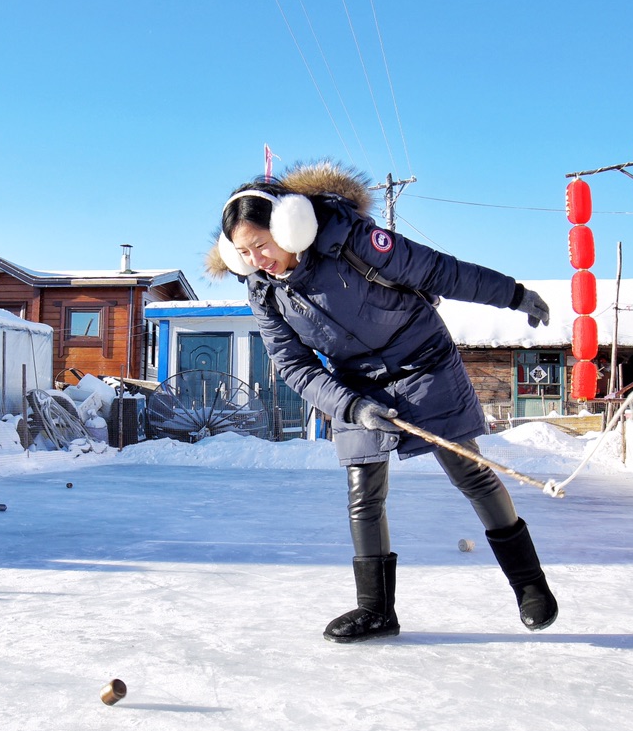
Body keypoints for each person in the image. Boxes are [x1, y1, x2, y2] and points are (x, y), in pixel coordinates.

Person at [208, 162, 558, 643]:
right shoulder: (263, 292)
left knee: (469, 471)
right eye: (245, 253)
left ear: (290, 224)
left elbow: (440, 270)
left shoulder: (351, 241)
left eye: (262, 244)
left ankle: (530, 586)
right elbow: (292, 365)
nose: (258, 258)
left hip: (424, 362)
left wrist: (513, 295)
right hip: (355, 383)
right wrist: (351, 406)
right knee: (363, 493)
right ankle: (376, 611)